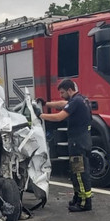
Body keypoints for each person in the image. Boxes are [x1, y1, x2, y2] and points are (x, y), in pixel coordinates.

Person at [40, 79, 93, 212]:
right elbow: (63, 104)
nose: (61, 95)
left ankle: (84, 203)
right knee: (77, 172)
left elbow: (59, 117)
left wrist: (40, 115)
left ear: (70, 90)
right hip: (83, 140)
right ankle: (78, 197)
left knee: (79, 173)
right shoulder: (81, 99)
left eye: (63, 92)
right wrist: (46, 103)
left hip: (77, 143)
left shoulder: (75, 101)